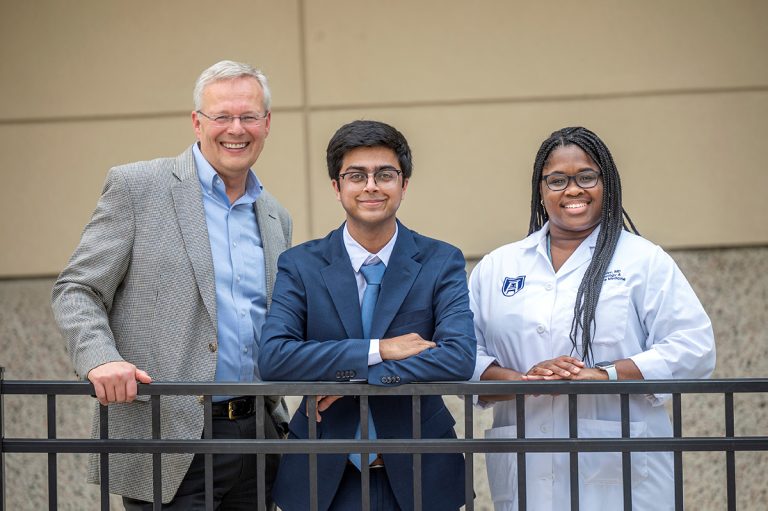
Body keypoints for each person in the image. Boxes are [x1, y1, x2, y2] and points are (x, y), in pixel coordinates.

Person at [51, 60, 291, 509]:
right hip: (171, 433)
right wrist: (101, 358)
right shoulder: (137, 187)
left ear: (267, 124)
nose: (235, 129)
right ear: (197, 122)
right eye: (222, 116)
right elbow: (77, 288)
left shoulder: (276, 215)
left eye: (248, 116)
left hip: (259, 434)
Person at [470, 126, 715, 510]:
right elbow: (464, 353)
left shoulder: (642, 260)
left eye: (586, 177)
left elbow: (694, 347)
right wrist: (525, 381)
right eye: (557, 180)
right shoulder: (498, 266)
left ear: (607, 184)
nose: (573, 190)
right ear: (540, 188)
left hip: (624, 474)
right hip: (526, 467)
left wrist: (604, 375)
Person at [258, 120, 476, 511]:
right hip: (322, 473)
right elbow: (275, 357)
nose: (371, 185)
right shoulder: (300, 265)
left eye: (385, 174)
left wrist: (357, 379)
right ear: (336, 187)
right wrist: (382, 349)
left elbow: (458, 357)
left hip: (421, 473)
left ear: (403, 185)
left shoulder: (441, 261)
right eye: (356, 175)